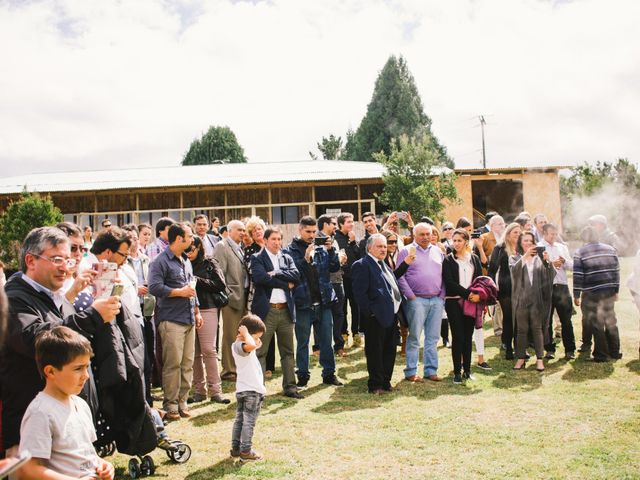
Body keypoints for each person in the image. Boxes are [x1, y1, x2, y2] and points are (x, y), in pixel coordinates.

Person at [0, 227, 120, 460]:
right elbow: (37, 338)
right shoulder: (14, 297)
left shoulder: (57, 298)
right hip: (33, 430)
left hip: (66, 423)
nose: (65, 267)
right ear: (31, 261)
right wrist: (93, 316)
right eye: (57, 259)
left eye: (68, 259)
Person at [17, 326, 115, 480]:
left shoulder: (81, 405)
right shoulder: (40, 412)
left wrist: (102, 465)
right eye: (78, 369)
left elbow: (85, 455)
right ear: (50, 372)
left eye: (87, 367)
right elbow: (28, 469)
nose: (86, 376)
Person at [148, 222, 203, 420]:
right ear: (179, 239)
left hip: (188, 318)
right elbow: (154, 287)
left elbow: (192, 287)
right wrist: (178, 292)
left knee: (187, 363)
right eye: (189, 236)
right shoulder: (160, 262)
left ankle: (182, 401)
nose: (192, 240)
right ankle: (170, 405)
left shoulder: (186, 261)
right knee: (173, 364)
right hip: (171, 319)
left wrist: (197, 311)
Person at [284, 216, 342, 387]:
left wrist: (331, 250)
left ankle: (329, 374)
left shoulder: (321, 246)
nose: (311, 235)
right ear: (299, 230)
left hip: (323, 302)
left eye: (313, 231)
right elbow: (292, 273)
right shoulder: (290, 250)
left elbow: (334, 267)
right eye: (307, 231)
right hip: (303, 303)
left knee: (326, 341)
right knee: (303, 342)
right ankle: (302, 376)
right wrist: (305, 259)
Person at [250, 227, 302, 399]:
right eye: (273, 239)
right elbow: (260, 278)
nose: (277, 242)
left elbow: (296, 275)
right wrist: (284, 284)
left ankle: (290, 388)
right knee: (260, 352)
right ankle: (258, 389)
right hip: (267, 311)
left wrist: (277, 273)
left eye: (280, 239)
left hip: (285, 310)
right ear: (265, 240)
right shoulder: (257, 258)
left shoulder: (286, 257)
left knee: (288, 351)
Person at [352, 234, 402, 394]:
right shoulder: (362, 265)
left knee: (389, 350)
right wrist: (371, 313)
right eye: (379, 246)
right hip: (375, 318)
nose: (383, 249)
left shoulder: (384, 265)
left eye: (385, 246)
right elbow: (359, 294)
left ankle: (386, 382)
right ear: (369, 248)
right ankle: (376, 385)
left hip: (391, 315)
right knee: (375, 352)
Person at [397, 223, 445, 382]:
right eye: (421, 234)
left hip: (436, 299)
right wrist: (411, 296)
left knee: (433, 337)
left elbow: (444, 275)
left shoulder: (438, 251)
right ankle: (411, 371)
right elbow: (400, 275)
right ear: (414, 235)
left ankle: (431, 370)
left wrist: (442, 296)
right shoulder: (406, 251)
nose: (425, 237)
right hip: (416, 300)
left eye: (427, 234)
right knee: (415, 337)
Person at [186, 236, 230, 404]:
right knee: (195, 353)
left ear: (199, 247)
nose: (188, 253)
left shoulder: (209, 262)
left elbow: (220, 285)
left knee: (208, 350)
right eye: (186, 250)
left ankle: (216, 390)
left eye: (191, 249)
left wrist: (197, 281)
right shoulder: (183, 263)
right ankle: (199, 391)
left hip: (207, 308)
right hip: (188, 309)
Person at [573, 226, 621, 362]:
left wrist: (576, 294)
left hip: (591, 292)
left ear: (584, 238)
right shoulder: (611, 249)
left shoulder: (580, 252)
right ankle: (615, 351)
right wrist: (616, 290)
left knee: (596, 323)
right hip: (609, 291)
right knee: (611, 321)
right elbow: (616, 272)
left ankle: (601, 355)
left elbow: (578, 276)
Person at [442, 228, 483, 384]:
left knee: (468, 337)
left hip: (472, 302)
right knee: (458, 336)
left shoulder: (474, 259)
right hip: (454, 301)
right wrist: (468, 294)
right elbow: (449, 282)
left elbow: (479, 279)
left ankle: (467, 370)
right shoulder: (448, 260)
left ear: (466, 241)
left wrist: (477, 295)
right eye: (455, 240)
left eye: (460, 240)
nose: (456, 243)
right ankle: (457, 372)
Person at [511, 231, 555, 372]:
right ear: (520, 243)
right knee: (521, 330)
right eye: (525, 241)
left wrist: (548, 262)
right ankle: (521, 358)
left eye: (531, 241)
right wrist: (525, 256)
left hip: (537, 299)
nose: (528, 243)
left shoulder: (539, 259)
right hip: (521, 300)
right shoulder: (515, 257)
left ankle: (539, 359)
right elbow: (514, 271)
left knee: (537, 329)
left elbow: (550, 276)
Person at [213, 220, 249, 381]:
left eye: (244, 230)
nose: (243, 233)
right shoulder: (222, 246)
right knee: (229, 336)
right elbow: (218, 273)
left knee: (239, 336)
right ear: (229, 230)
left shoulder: (239, 248)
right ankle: (228, 371)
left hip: (243, 298)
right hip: (231, 299)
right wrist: (227, 295)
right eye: (239, 230)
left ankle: (237, 367)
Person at [230, 315, 267, 461]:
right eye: (256, 336)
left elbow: (256, 344)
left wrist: (252, 337)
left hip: (243, 389)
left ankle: (236, 449)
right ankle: (246, 451)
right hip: (251, 391)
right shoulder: (241, 346)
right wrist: (245, 333)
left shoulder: (239, 346)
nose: (258, 340)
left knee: (239, 420)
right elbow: (252, 345)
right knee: (248, 421)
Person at [539, 223, 576, 360]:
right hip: (546, 287)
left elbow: (572, 266)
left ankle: (570, 350)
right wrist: (550, 264)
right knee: (547, 321)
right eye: (551, 234)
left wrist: (564, 261)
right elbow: (537, 269)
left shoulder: (562, 247)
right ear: (544, 233)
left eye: (555, 234)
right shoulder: (539, 247)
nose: (554, 236)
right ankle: (549, 349)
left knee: (566, 320)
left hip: (562, 286)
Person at [488, 222, 522, 359]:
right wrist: (492, 288)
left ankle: (520, 345)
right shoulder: (500, 248)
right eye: (515, 232)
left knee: (519, 318)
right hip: (505, 287)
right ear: (508, 234)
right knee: (508, 317)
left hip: (521, 287)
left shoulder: (522, 248)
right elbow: (492, 270)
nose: (518, 235)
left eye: (520, 232)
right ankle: (508, 346)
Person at [318, 214, 347, 357]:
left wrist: (341, 259)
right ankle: (319, 347)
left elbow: (335, 262)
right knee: (321, 316)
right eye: (333, 223)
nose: (335, 226)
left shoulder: (334, 240)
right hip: (323, 284)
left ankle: (339, 345)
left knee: (339, 314)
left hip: (337, 281)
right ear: (325, 224)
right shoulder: (316, 240)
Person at [334, 212, 361, 347]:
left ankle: (356, 334)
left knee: (356, 307)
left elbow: (359, 255)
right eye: (348, 222)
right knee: (342, 309)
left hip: (355, 279)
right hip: (341, 279)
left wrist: (353, 242)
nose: (352, 224)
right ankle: (343, 335)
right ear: (341, 224)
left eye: (352, 221)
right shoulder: (335, 239)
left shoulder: (353, 237)